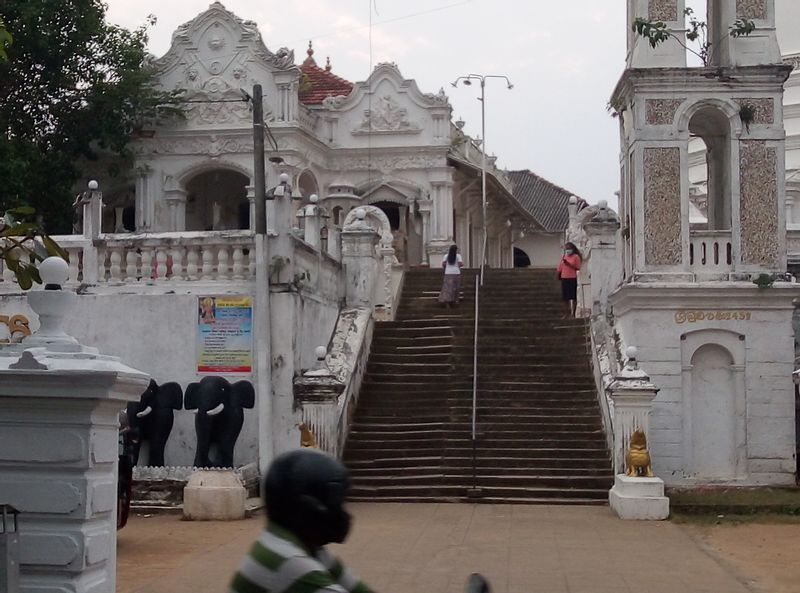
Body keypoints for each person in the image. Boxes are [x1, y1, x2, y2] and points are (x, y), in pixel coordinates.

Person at [230, 449, 374, 593]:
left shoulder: (309, 548)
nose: (342, 514)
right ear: (309, 508)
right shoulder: (288, 561)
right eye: (337, 504)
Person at [556, 242, 582, 318]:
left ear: (573, 249)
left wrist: (569, 265)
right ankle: (566, 313)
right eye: (566, 249)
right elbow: (560, 267)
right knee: (565, 298)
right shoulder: (565, 256)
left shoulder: (576, 257)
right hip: (564, 278)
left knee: (573, 297)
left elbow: (578, 267)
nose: (568, 250)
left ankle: (573, 314)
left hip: (572, 278)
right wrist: (557, 274)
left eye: (569, 248)